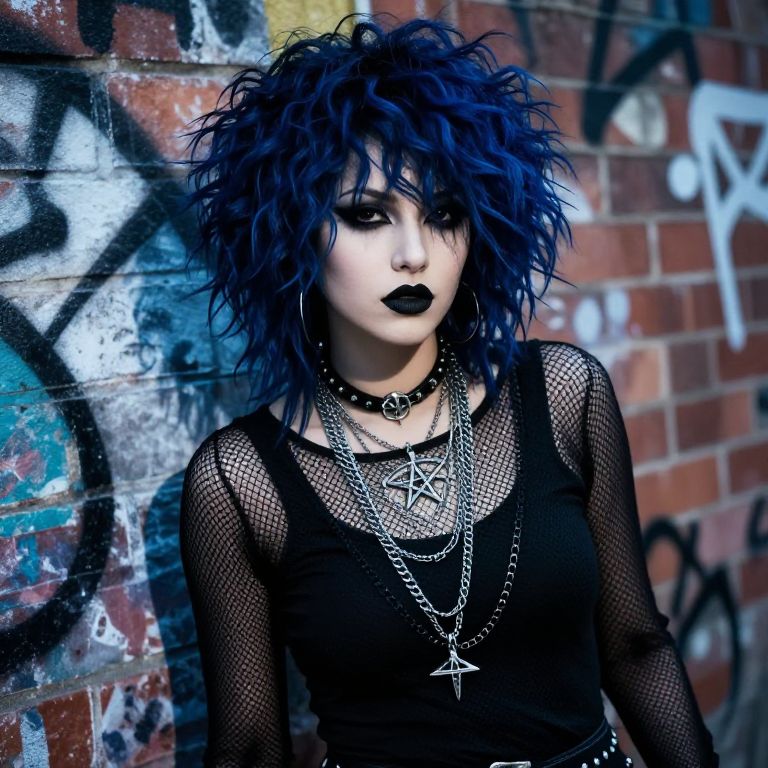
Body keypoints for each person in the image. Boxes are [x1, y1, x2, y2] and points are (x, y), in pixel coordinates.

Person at [179, 13, 719, 768]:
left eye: (444, 214)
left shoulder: (561, 396)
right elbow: (249, 745)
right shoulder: (241, 484)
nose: (414, 254)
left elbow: (635, 644)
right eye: (365, 216)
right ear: (295, 234)